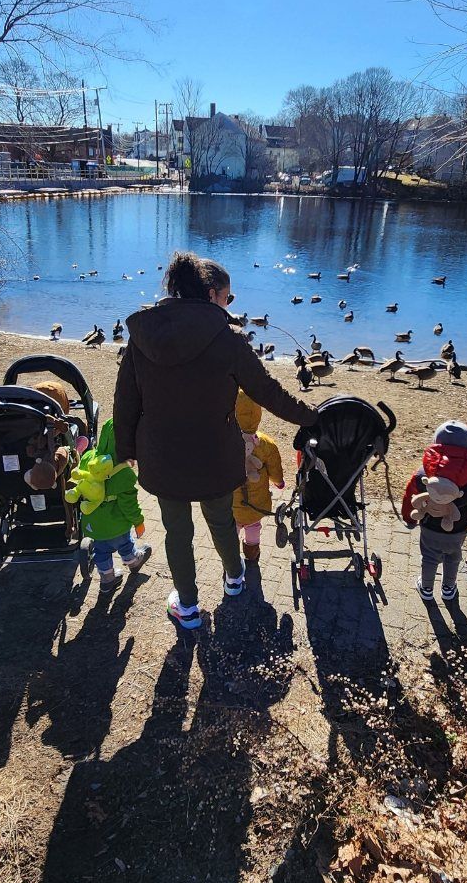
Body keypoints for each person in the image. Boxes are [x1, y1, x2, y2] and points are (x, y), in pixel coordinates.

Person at [113, 251, 318, 630]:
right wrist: (314, 417)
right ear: (210, 294)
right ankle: (235, 579)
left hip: (162, 453)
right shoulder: (228, 340)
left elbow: (126, 398)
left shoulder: (144, 334)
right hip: (215, 453)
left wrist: (126, 449)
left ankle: (187, 608)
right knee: (221, 519)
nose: (229, 304)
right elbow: (268, 393)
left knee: (177, 530)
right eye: (228, 297)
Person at [401, 419, 467, 602]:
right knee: (453, 557)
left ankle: (426, 588)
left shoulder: (422, 474)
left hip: (429, 527)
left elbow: (410, 496)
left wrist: (409, 519)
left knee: (429, 557)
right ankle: (448, 588)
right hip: (456, 530)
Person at [77, 417, 152, 596]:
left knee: (101, 553)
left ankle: (107, 579)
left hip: (93, 526)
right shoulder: (124, 473)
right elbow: (129, 504)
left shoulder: (88, 458)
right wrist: (138, 521)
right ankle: (133, 561)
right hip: (117, 526)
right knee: (125, 545)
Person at [233, 389, 285, 566]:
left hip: (232, 505)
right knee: (254, 527)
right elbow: (275, 468)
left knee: (232, 528)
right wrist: (278, 482)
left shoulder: (224, 442)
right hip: (257, 504)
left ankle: (231, 558)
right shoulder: (266, 444)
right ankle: (252, 553)